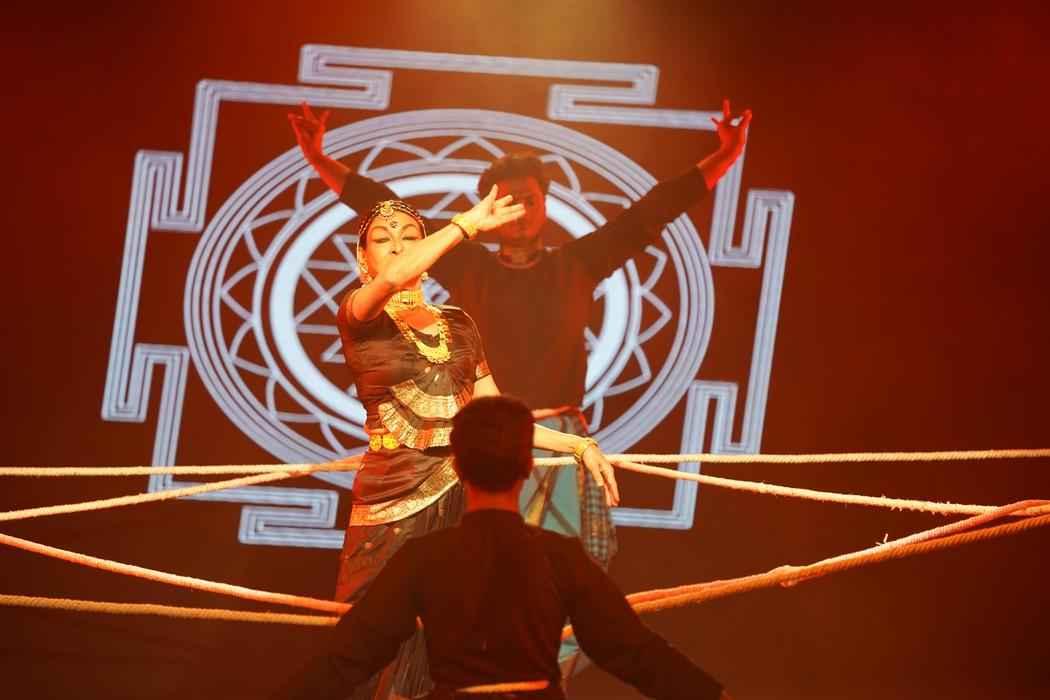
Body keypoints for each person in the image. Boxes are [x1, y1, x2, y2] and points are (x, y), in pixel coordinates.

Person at [289, 100, 751, 578]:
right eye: (509, 201)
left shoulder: (578, 264)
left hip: (556, 438)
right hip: (479, 442)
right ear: (488, 208)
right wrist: (318, 158)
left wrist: (726, 155)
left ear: (546, 204)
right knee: (472, 575)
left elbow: (652, 212)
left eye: (531, 199)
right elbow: (381, 204)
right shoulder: (468, 265)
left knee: (558, 578)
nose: (522, 211)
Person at [327, 190, 621, 698]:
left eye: (410, 236)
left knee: (451, 645)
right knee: (371, 643)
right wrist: (465, 225)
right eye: (383, 239)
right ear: (363, 257)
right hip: (391, 501)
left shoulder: (458, 324)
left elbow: (495, 416)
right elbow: (393, 279)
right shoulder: (360, 315)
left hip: (462, 501)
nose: (397, 247)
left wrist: (577, 446)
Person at [273, 395, 731, 700]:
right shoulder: (560, 556)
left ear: (457, 466)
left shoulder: (424, 559)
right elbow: (631, 650)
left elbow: (349, 657)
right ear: (528, 466)